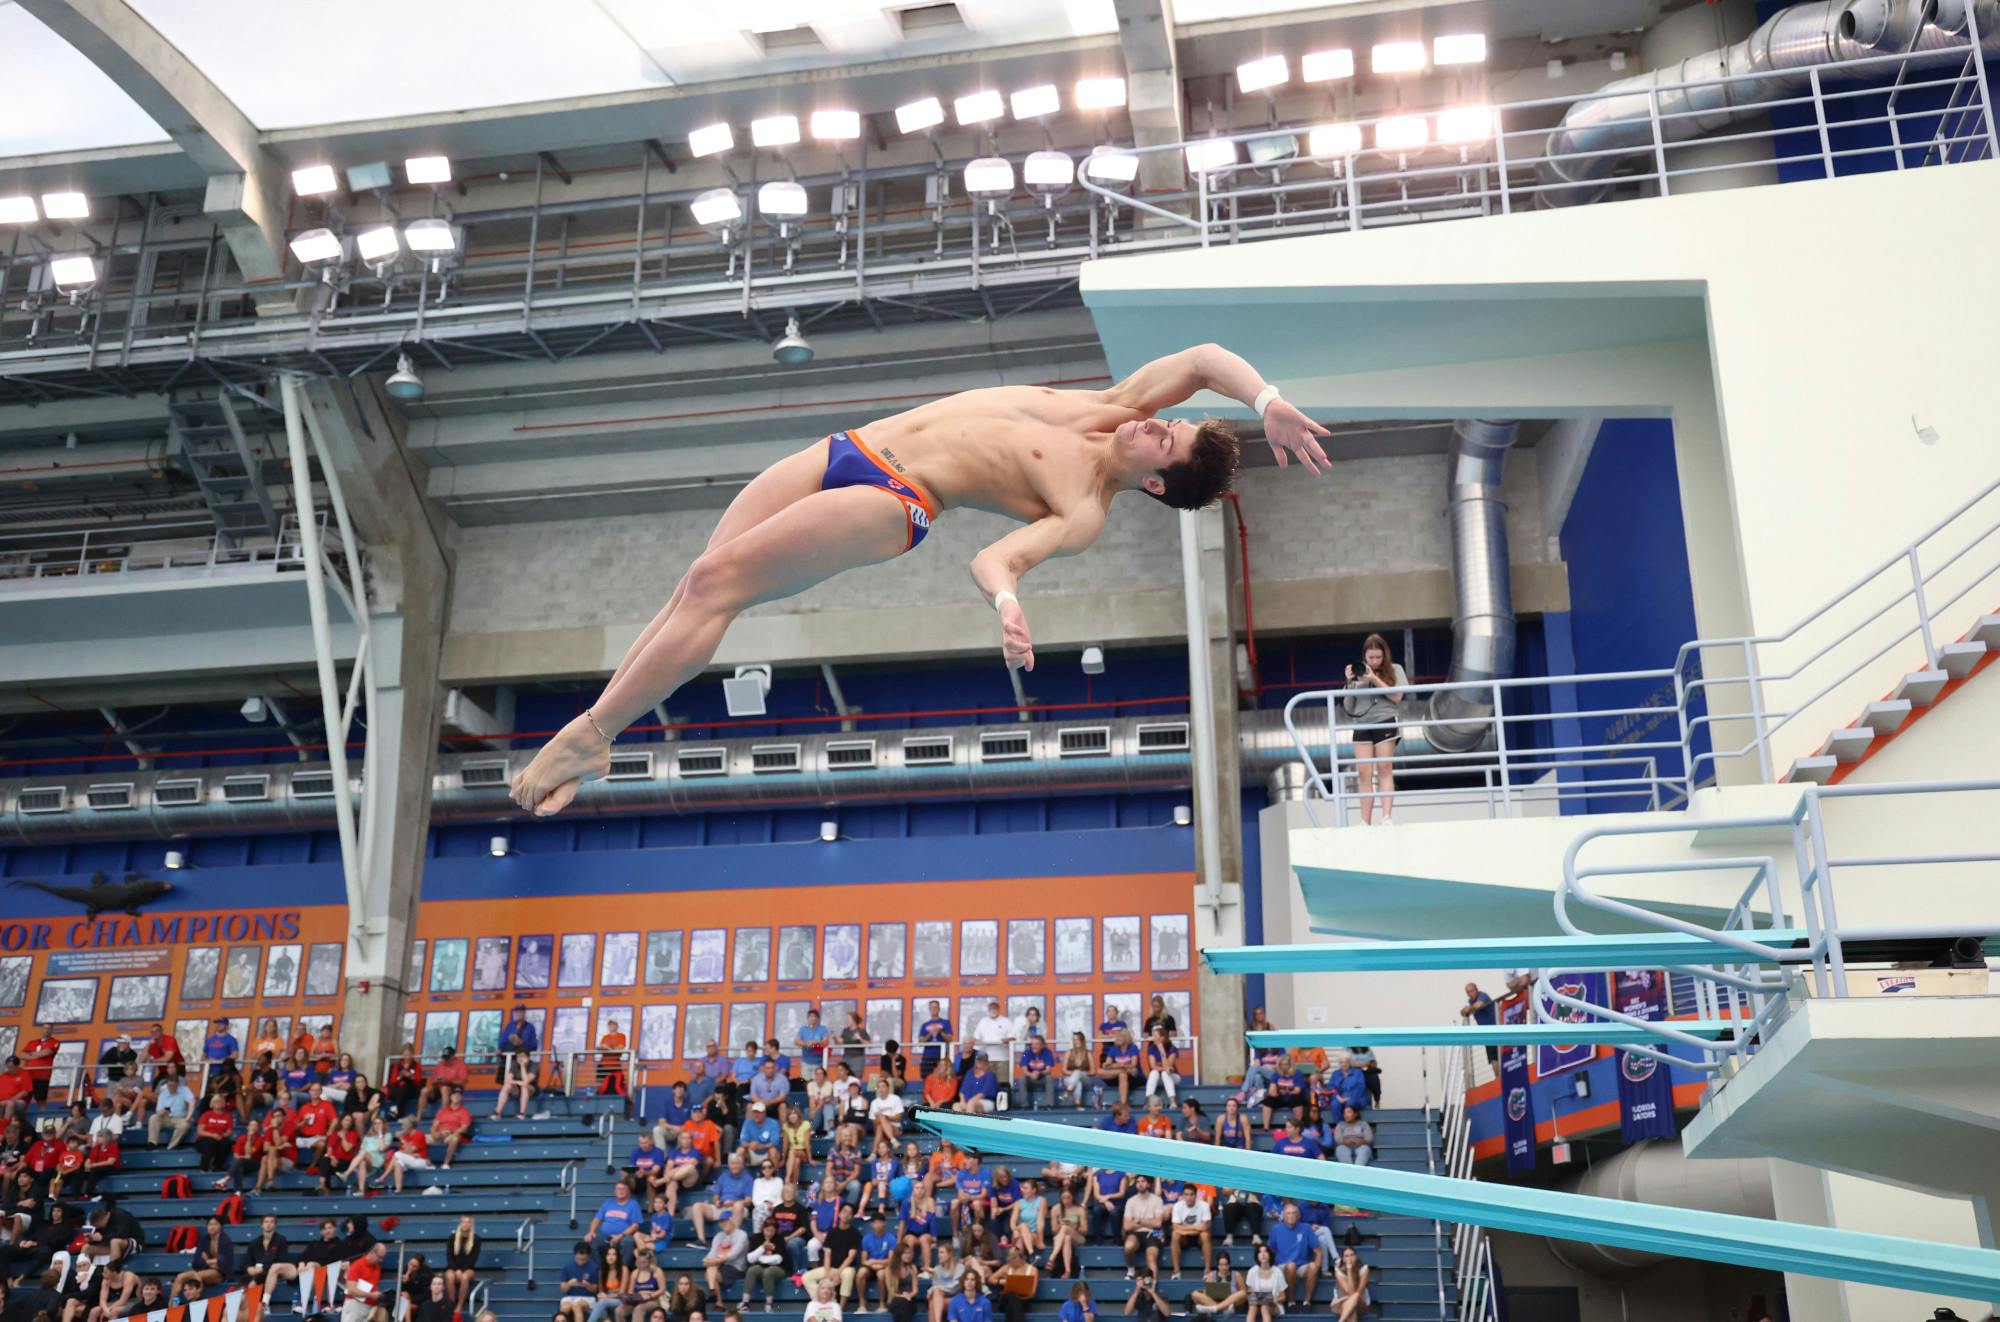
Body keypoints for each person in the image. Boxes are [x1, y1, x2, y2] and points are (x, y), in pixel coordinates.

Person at [508, 345, 1326, 816]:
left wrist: (1008, 603)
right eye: (1172, 422)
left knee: (722, 582)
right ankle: (599, 739)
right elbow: (1206, 359)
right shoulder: (1111, 406)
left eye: (1167, 444)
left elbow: (995, 559)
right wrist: (1268, 398)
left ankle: (593, 733)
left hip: (892, 500)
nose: (1157, 425)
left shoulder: (1083, 509)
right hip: (853, 446)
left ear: (1157, 481)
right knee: (695, 582)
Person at [1340, 633, 1409, 825]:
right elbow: (1348, 706)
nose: (1375, 661)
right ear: (1364, 657)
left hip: (1385, 720)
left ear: (1384, 655)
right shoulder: (1358, 672)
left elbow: (1397, 697)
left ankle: (1386, 816)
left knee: (1384, 767)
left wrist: (1374, 679)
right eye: (1371, 658)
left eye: (1378, 657)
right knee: (1363, 771)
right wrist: (1349, 682)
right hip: (1362, 723)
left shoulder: (1395, 669)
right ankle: (1365, 821)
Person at [171, 1217, 235, 1302]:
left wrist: (208, 1260)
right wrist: (212, 1262)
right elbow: (196, 1262)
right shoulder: (204, 1240)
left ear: (221, 1227)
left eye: (215, 1224)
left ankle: (194, 1301)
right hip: (205, 1270)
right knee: (181, 1276)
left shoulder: (226, 1241)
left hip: (220, 1274)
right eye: (210, 1224)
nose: (212, 1227)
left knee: (197, 1276)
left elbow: (225, 1261)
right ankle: (171, 1306)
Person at [1266, 1204, 1318, 1306]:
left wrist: (1317, 1267)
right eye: (1288, 1213)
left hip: (1302, 1266)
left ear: (1298, 1215)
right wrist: (1270, 1268)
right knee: (1291, 1265)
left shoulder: (1306, 1228)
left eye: (1294, 1213)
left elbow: (1319, 1251)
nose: (1291, 1215)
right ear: (1283, 1216)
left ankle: (1307, 1301)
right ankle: (1291, 1300)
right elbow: (1270, 1250)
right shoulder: (1276, 1228)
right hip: (1283, 1266)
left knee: (1313, 1266)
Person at [1120, 1175, 1168, 1280]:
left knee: (1151, 1256)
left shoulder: (1157, 1200)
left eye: (1143, 1181)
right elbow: (1127, 1226)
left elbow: (1158, 1224)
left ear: (1149, 1184)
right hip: (1136, 1233)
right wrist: (1149, 1222)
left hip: (1154, 1232)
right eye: (1137, 1182)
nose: (1140, 1184)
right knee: (1128, 1246)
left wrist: (1139, 1221)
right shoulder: (1131, 1201)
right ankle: (1131, 1270)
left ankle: (1153, 1284)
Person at [1168, 1184, 1213, 1280]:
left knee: (1205, 1235)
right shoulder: (1177, 1206)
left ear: (1196, 1195)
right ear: (1183, 1196)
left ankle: (1207, 1270)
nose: (1189, 1197)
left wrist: (1183, 1229)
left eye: (1191, 1194)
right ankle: (1176, 1271)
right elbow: (1175, 1227)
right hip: (1184, 1238)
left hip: (1199, 1238)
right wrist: (1196, 1227)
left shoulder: (1204, 1205)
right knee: (1175, 1234)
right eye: (1186, 1194)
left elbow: (1205, 1227)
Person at [701, 1214, 749, 1302]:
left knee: (710, 1273)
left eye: (725, 1221)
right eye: (721, 1222)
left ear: (732, 1220)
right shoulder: (718, 1236)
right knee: (711, 1271)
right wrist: (707, 1259)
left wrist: (714, 1261)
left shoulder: (742, 1235)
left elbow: (733, 1255)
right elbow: (712, 1253)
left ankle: (718, 1299)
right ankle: (713, 1292)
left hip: (736, 1267)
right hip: (720, 1266)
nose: (723, 1224)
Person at [743, 1223, 789, 1313]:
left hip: (779, 1268)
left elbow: (778, 1259)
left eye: (772, 1231)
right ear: (763, 1229)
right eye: (767, 1230)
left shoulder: (779, 1239)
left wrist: (760, 1258)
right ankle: (745, 1302)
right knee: (752, 1270)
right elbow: (750, 1259)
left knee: (768, 1272)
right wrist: (762, 1248)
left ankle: (769, 1303)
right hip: (760, 1266)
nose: (769, 1233)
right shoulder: (756, 1238)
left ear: (776, 1231)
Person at [1187, 1251, 1245, 1316]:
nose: (1224, 1267)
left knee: (1242, 1293)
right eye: (1221, 1265)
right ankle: (1222, 1308)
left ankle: (1216, 1308)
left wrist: (1232, 1294)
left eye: (1226, 1265)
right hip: (1215, 1302)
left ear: (1229, 1264)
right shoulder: (1211, 1275)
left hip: (1232, 1304)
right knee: (1195, 1294)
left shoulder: (1236, 1275)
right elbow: (1206, 1294)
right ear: (1217, 1265)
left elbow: (1243, 1293)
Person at [443, 1214, 481, 1310]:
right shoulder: (452, 1238)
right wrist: (456, 1270)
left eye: (468, 1222)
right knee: (449, 1276)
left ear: (471, 1224)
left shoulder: (476, 1239)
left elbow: (473, 1259)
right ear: (460, 1224)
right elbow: (449, 1257)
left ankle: (459, 1305)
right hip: (452, 1267)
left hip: (468, 1268)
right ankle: (452, 1304)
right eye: (463, 1222)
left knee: (464, 1277)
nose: (465, 1224)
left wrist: (462, 1270)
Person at [431, 1086, 475, 1167]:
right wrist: (434, 1133)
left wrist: (450, 1132)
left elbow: (464, 1128)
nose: (456, 1097)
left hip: (450, 1135)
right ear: (451, 1097)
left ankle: (446, 1163)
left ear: (461, 1097)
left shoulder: (464, 1111)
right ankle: (427, 1163)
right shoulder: (442, 1110)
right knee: (420, 1137)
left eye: (459, 1095)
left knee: (455, 1138)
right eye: (454, 1094)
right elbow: (434, 1125)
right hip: (439, 1134)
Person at [1096, 1029, 1141, 1107]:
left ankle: (1123, 1104)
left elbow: (1133, 1064)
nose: (1118, 1038)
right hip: (1118, 1074)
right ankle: (1120, 1072)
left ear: (1126, 1038)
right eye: (1117, 1037)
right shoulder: (1113, 1049)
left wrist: (1115, 1065)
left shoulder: (1133, 1048)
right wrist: (1121, 1066)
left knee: (1123, 1074)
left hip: (1133, 1077)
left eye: (1120, 1037)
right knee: (1099, 1071)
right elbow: (1107, 1065)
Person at [990, 1248, 1036, 1322]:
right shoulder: (1006, 1268)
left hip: (1023, 1301)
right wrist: (1003, 1282)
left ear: (1020, 1259)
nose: (1010, 1264)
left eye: (1012, 1261)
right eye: (1009, 1261)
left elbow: (1032, 1293)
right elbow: (990, 1279)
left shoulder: (1032, 1270)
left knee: (1010, 1307)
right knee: (1011, 1294)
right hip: (1005, 1301)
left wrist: (1020, 1294)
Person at [559, 1243, 603, 1322]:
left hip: (588, 1297)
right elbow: (563, 1289)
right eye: (578, 1259)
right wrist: (570, 1284)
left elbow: (594, 1290)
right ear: (575, 1255)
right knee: (564, 1308)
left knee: (577, 1305)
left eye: (583, 1260)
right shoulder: (567, 1266)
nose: (580, 1262)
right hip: (570, 1296)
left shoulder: (594, 1267)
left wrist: (587, 1285)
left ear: (589, 1257)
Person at [1242, 1244, 1285, 1322]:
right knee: (1253, 1306)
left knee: (1264, 1306)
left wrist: (1275, 1300)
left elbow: (1283, 1297)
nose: (1263, 1254)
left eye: (1265, 1251)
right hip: (1256, 1305)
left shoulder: (1278, 1272)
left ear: (1270, 1255)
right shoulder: (1252, 1271)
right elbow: (1250, 1293)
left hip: (1274, 1305)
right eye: (1260, 1252)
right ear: (1257, 1256)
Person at [1461, 983, 1500, 1066]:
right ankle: (1498, 1078)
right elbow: (1462, 1012)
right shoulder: (1469, 1001)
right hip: (1486, 1033)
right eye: (1468, 992)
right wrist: (1468, 1009)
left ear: (1476, 990)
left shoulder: (1483, 995)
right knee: (1493, 1058)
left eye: (1472, 991)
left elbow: (1478, 1005)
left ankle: (1502, 1077)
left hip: (1496, 1029)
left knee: (1500, 1055)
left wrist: (1469, 1009)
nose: (1471, 993)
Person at [1013, 1035, 1055, 1111]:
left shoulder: (1047, 1052)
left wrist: (1039, 1073)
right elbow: (1024, 1070)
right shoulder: (1027, 1052)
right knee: (1022, 1079)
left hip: (1042, 1077)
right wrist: (1031, 1074)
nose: (1034, 1046)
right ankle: (1024, 1105)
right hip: (1030, 1077)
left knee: (1049, 1078)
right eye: (1032, 1044)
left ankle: (1049, 1105)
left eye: (1036, 1044)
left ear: (1042, 1045)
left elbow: (1048, 1070)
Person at [1329, 1246, 1369, 1322]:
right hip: (1341, 1304)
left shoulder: (1364, 1269)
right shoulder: (1338, 1271)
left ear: (1356, 1257)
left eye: (1352, 1255)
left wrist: (1342, 1299)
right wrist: (1349, 1270)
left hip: (1360, 1303)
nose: (1349, 1258)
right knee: (1351, 1311)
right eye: (1346, 1256)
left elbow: (1356, 1294)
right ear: (1343, 1259)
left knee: (1355, 1298)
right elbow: (1349, 1292)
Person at [1141, 1027, 1179, 1105]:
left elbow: (1168, 1066)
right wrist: (1165, 1069)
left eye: (1155, 1036)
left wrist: (1161, 1050)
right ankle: (1148, 1102)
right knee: (1154, 1073)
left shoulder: (1172, 1049)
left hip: (1173, 1077)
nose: (1153, 1038)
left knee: (1165, 1074)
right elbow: (1153, 1066)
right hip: (1158, 1078)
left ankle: (1172, 1102)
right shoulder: (1151, 1048)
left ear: (1162, 1037)